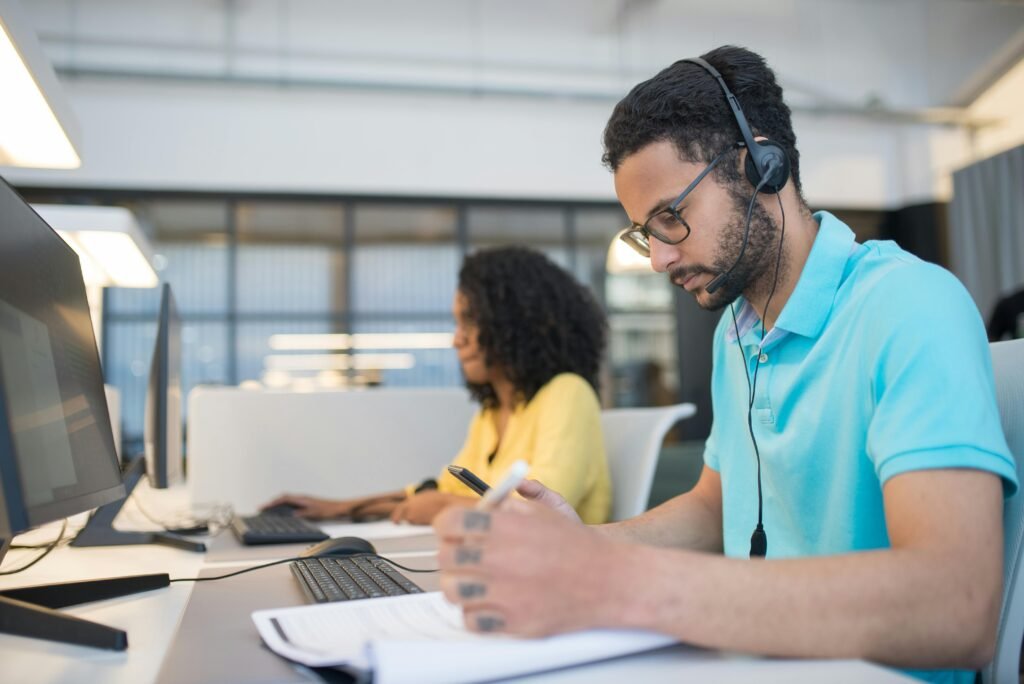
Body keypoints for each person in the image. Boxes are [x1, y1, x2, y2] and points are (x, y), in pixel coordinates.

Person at [433, 46, 1017, 684]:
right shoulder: (736, 332)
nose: (657, 259)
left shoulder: (908, 305)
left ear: (760, 167)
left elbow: (956, 606)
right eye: (643, 232)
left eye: (670, 218)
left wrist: (623, 583)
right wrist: (581, 547)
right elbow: (716, 508)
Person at [263, 246, 612, 525]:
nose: (456, 340)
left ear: (515, 321)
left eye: (470, 321)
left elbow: (540, 511)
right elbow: (440, 490)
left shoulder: (568, 392)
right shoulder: (493, 411)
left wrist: (443, 506)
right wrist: (337, 508)